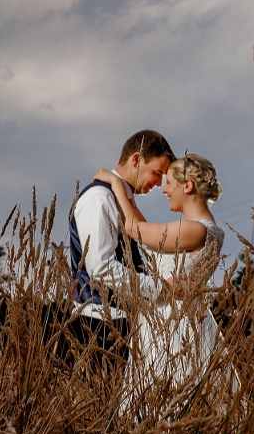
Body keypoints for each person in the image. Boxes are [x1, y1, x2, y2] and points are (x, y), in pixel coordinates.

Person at [93, 154, 226, 392]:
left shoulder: (194, 229)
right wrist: (129, 197)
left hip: (172, 327)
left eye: (169, 184)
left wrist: (116, 184)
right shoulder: (209, 228)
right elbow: (149, 237)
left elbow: (135, 229)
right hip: (180, 320)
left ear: (187, 186)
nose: (164, 190)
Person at [68, 130, 175, 369]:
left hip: (121, 326)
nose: (159, 183)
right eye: (157, 173)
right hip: (97, 326)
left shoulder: (122, 202)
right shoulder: (99, 198)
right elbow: (101, 268)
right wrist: (158, 290)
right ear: (136, 160)